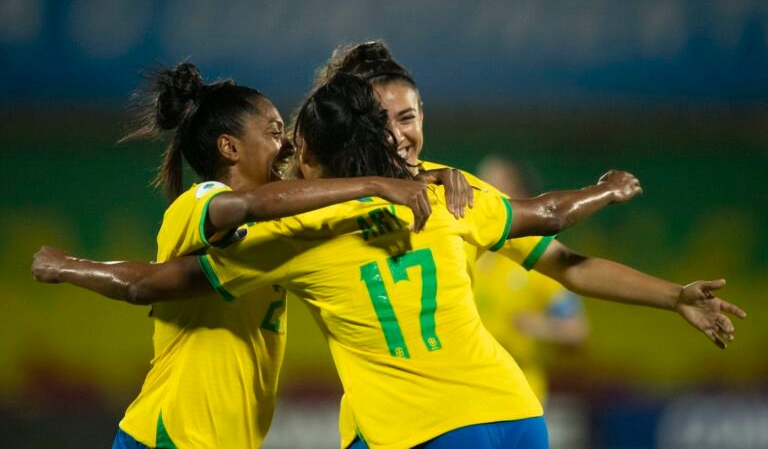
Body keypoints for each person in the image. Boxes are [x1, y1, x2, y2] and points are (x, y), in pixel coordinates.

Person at [33, 73, 743, 449]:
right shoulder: (438, 195)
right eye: (275, 132)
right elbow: (552, 223)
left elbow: (556, 250)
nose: (284, 148)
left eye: (413, 115)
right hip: (515, 417)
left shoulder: (311, 230)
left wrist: (67, 267)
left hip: (411, 432)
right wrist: (606, 190)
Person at [78, 61, 460, 449]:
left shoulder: (277, 222)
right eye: (276, 133)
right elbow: (245, 207)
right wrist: (378, 183)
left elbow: (318, 196)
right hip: (173, 433)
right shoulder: (199, 203)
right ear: (229, 147)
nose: (288, 146)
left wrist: (421, 175)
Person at [474, 156, 588, 404]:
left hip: (521, 398)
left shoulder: (538, 260)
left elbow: (576, 332)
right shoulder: (468, 252)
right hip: (469, 397)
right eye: (479, 185)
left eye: (492, 186)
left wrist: (538, 326)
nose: (482, 194)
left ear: (518, 194)